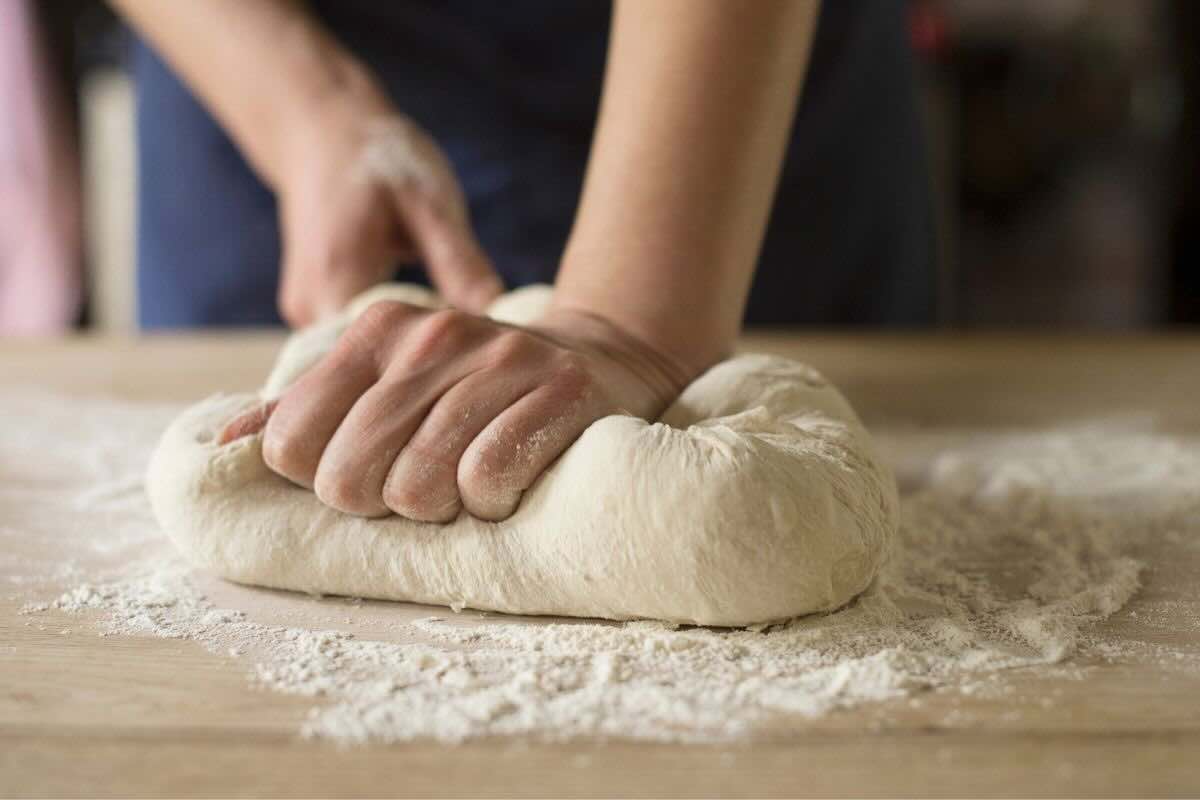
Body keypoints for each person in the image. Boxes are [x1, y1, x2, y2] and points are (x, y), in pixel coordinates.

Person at [114, 0, 933, 523]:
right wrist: (308, 112)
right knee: (278, 457)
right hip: (254, 56)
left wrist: (633, 327)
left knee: (784, 506)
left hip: (722, 75)